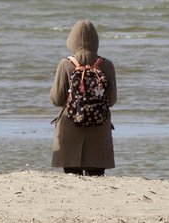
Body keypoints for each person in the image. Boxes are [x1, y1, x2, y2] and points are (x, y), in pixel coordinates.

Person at [50, 20, 118, 176]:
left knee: (72, 178)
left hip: (70, 128)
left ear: (72, 40)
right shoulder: (107, 65)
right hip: (99, 130)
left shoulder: (65, 64)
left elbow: (56, 99)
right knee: (97, 179)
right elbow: (112, 100)